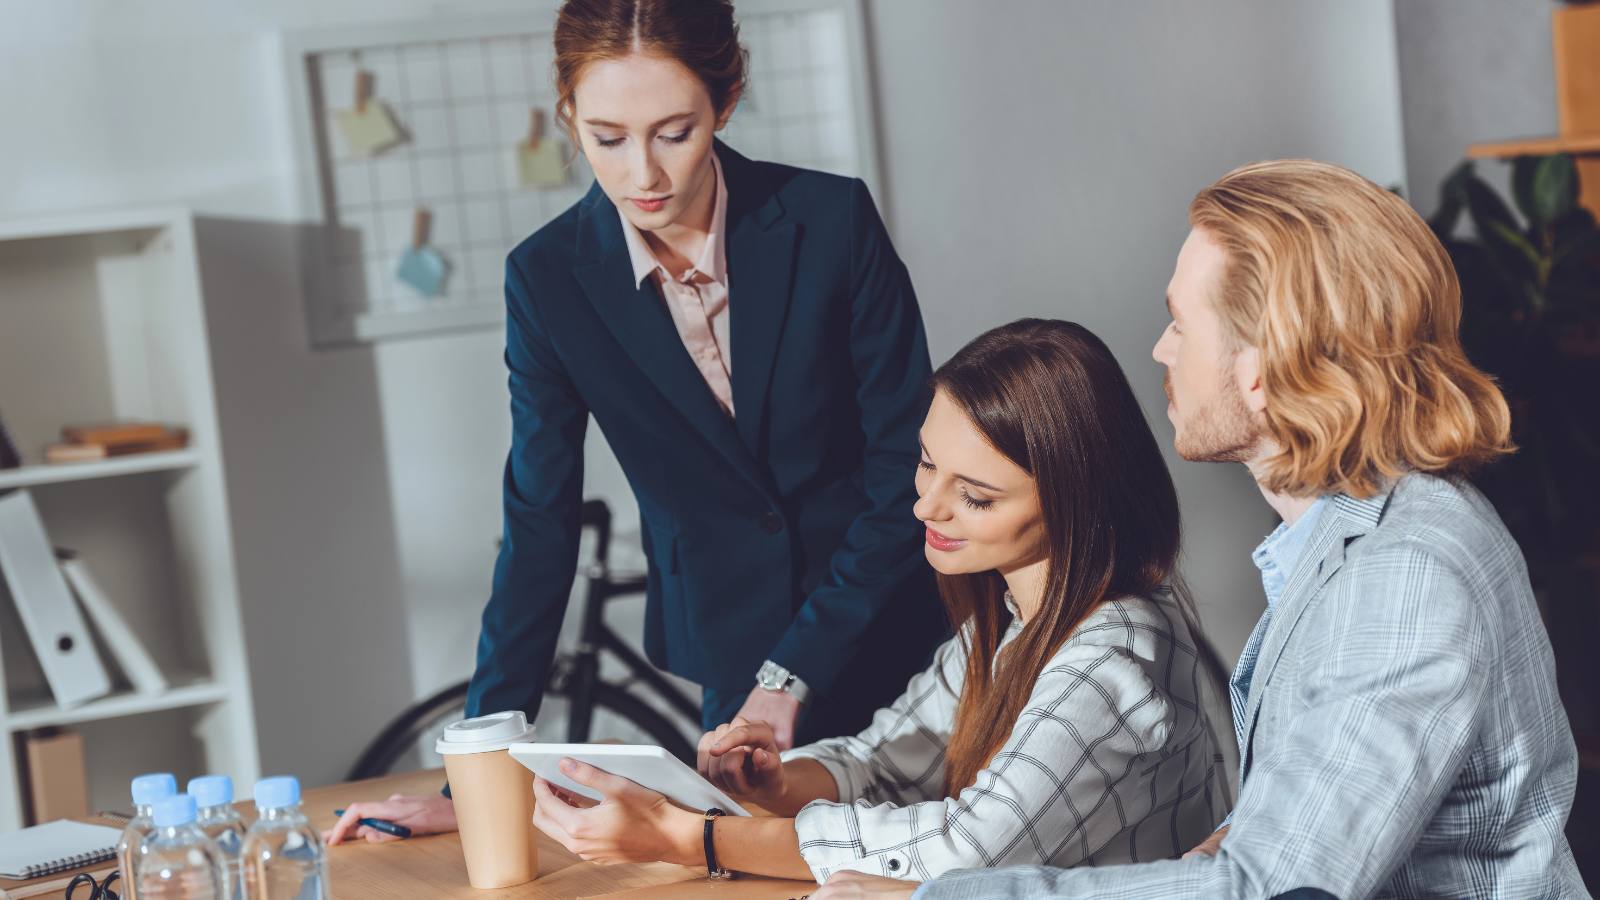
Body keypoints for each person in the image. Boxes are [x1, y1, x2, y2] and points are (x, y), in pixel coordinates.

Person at [827, 160, 1590, 898]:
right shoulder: (1348, 540)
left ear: (1262, 367)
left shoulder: (1403, 574)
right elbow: (1302, 826)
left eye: (1180, 324)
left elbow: (1269, 890)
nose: (1160, 348)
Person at [325, 0, 944, 846]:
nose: (642, 173)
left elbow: (905, 466)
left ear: (724, 105)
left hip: (898, 619)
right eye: (607, 136)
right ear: (568, 113)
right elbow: (540, 521)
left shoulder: (832, 222)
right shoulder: (546, 281)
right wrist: (477, 781)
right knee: (753, 864)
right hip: (732, 649)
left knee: (932, 857)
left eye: (675, 131)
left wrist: (793, 672)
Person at [525, 319, 1228, 884]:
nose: (926, 504)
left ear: (1077, 502)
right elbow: (887, 762)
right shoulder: (1012, 623)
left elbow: (965, 850)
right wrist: (774, 781)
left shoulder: (1114, 658)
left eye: (975, 496)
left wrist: (702, 839)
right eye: (925, 462)